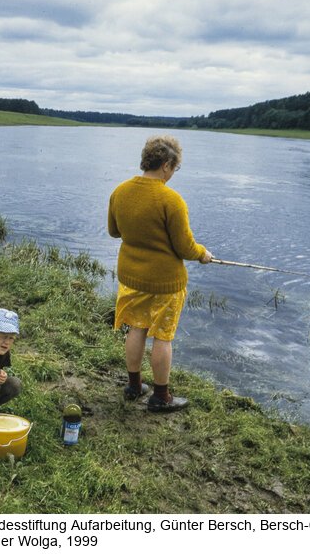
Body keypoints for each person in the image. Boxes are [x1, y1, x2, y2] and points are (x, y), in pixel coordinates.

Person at [107, 135, 212, 412]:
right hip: (165, 282)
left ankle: (133, 385)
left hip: (131, 277)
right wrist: (202, 254)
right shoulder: (171, 200)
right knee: (163, 337)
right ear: (166, 165)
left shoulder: (120, 192)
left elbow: (114, 231)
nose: (173, 174)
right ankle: (161, 397)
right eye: (175, 169)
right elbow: (184, 246)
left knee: (136, 328)